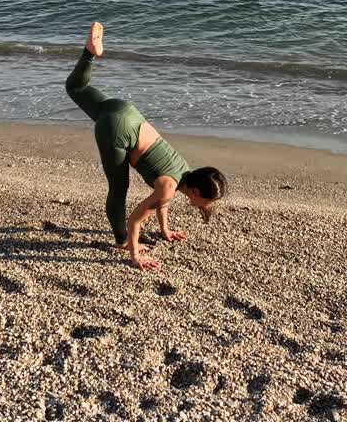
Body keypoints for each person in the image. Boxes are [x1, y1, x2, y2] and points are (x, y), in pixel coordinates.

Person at [65, 22, 227, 270]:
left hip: (126, 111)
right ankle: (121, 242)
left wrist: (165, 229)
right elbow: (136, 220)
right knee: (118, 189)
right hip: (116, 130)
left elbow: (164, 200)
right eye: (207, 201)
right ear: (194, 192)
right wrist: (135, 254)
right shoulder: (169, 188)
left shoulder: (183, 170)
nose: (208, 205)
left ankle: (90, 52)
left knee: (76, 88)